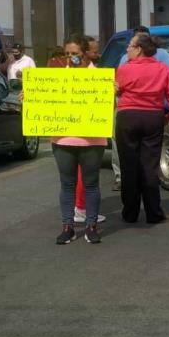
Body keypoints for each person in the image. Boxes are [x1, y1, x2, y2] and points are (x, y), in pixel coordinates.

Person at [115, 34, 169, 224]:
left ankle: (129, 213)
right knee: (150, 166)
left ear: (139, 49)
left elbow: (115, 91)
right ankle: (154, 213)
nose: (127, 49)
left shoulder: (124, 69)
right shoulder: (163, 69)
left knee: (128, 166)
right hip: (153, 117)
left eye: (129, 46)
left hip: (127, 117)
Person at [49, 35, 106, 244]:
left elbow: (109, 108)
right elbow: (46, 102)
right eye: (67, 54)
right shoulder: (56, 79)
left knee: (91, 184)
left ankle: (91, 226)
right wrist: (30, 98)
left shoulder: (100, 78)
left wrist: (113, 93)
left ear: (85, 54)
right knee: (67, 185)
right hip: (63, 139)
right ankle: (68, 227)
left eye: (75, 54)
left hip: (91, 140)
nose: (70, 58)